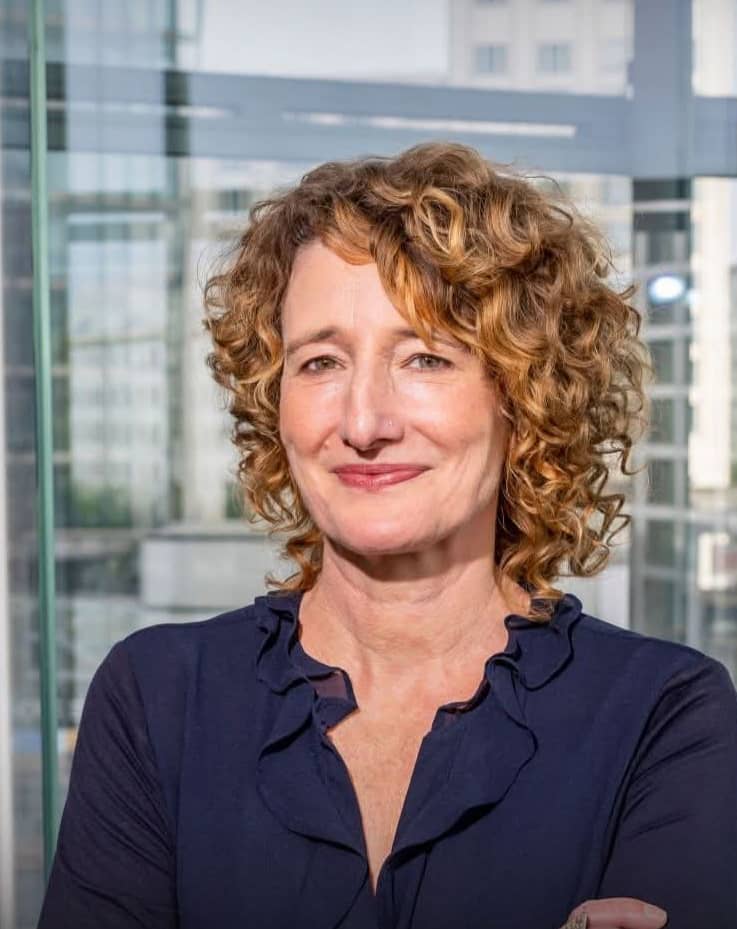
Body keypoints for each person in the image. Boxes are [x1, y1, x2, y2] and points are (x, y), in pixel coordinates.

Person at [37, 142, 737, 929]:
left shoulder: (662, 714)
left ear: (525, 397)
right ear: (274, 401)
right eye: (320, 362)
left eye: (425, 358)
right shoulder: (158, 695)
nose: (364, 421)